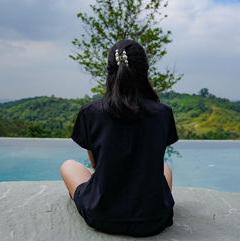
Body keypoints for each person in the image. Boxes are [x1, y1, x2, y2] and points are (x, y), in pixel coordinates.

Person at [60, 39, 179, 237]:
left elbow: (96, 165)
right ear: (145, 70)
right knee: (165, 168)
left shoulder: (91, 112)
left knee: (68, 166)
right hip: (154, 218)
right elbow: (153, 162)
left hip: (103, 216)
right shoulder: (163, 113)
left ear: (109, 70)